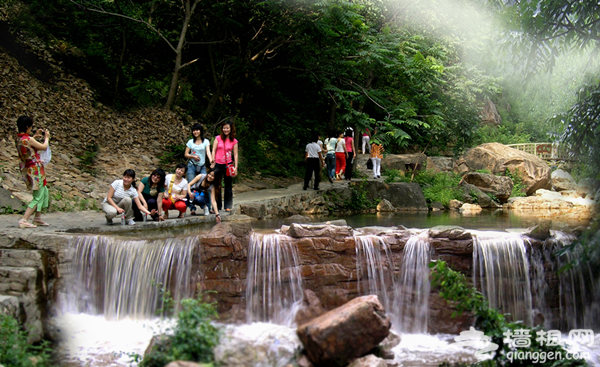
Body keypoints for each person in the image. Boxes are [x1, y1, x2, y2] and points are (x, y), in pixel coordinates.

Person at [15, 116, 50, 228]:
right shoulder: (29, 140)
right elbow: (43, 147)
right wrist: (47, 138)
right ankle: (24, 219)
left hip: (30, 169)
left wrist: (34, 136)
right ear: (27, 127)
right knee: (38, 196)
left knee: (44, 191)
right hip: (35, 170)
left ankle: (37, 218)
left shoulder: (20, 139)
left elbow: (28, 145)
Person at [210, 119, 238, 212]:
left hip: (228, 165)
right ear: (222, 129)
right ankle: (217, 206)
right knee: (217, 185)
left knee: (228, 185)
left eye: (227, 128)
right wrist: (213, 162)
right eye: (224, 128)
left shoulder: (234, 141)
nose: (225, 130)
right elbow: (213, 150)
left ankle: (228, 206)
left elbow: (235, 154)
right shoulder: (218, 138)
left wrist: (236, 167)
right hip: (218, 164)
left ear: (231, 129)